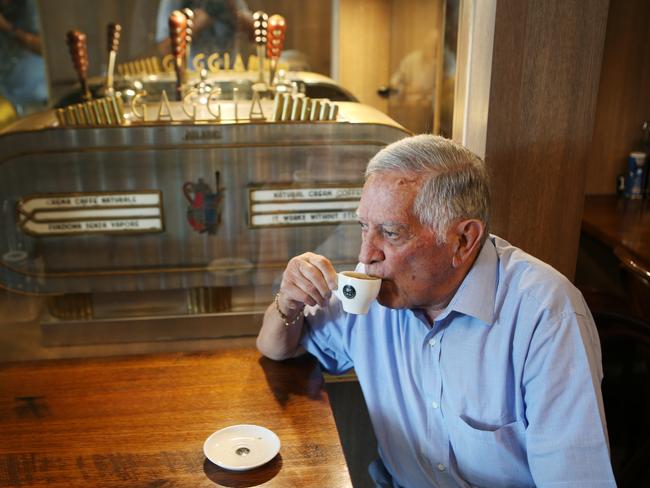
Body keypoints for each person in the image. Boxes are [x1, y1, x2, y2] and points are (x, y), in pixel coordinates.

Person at [257, 134, 616, 487]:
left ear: (463, 240)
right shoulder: (372, 288)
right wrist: (287, 301)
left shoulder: (547, 316)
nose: (366, 254)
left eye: (392, 233)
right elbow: (277, 347)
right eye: (364, 227)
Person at [0, 0, 47, 115]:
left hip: (39, 99)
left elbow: (42, 48)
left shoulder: (31, 7)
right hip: (12, 102)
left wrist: (7, 27)